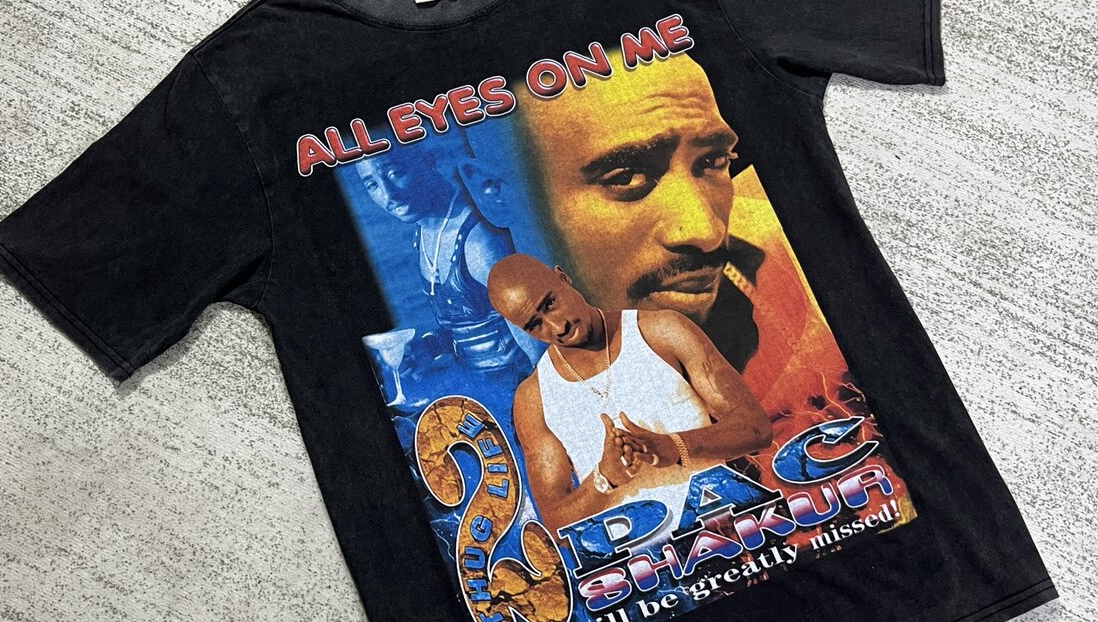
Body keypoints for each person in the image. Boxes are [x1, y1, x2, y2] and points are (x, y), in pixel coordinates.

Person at [509, 49, 849, 416]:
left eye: (713, 161)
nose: (707, 232)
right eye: (627, 177)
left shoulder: (794, 298)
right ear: (498, 192)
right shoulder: (539, 401)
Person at [487, 253, 772, 536]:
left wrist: (674, 446)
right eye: (535, 325)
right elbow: (556, 523)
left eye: (550, 304)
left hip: (727, 535)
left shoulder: (662, 332)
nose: (558, 326)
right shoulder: (534, 399)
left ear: (563, 277)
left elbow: (756, 427)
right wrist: (604, 477)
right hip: (646, 560)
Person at [354, 140, 529, 372]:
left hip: (522, 379)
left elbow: (538, 338)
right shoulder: (425, 232)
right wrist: (431, 346)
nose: (389, 194)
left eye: (395, 173)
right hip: (483, 377)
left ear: (428, 160)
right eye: (372, 185)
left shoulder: (479, 243)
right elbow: (476, 319)